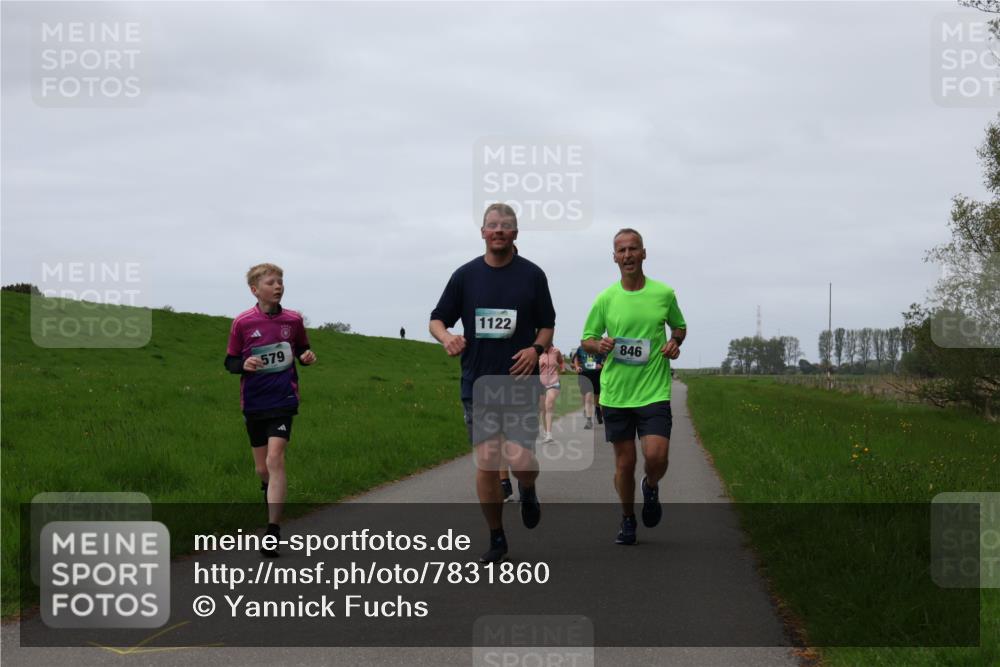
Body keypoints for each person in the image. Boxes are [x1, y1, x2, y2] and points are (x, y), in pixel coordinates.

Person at [430, 203, 556, 563]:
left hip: (519, 383)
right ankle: (497, 536)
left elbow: (547, 323)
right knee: (487, 460)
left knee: (519, 461)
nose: (498, 230)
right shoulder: (466, 276)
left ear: (516, 233)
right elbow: (437, 319)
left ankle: (528, 489)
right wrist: (447, 337)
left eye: (506, 225)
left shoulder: (532, 275)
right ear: (482, 232)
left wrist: (536, 349)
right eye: (492, 225)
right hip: (478, 383)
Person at [580, 229, 686, 545]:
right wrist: (599, 346)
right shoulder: (605, 298)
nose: (627, 255)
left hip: (654, 390)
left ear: (643, 253)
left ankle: (651, 485)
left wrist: (673, 342)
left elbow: (679, 326)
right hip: (616, 393)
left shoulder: (664, 294)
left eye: (633, 249)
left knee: (656, 456)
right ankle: (627, 519)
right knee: (624, 464)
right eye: (621, 250)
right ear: (614, 257)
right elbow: (586, 339)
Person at [225, 263, 316, 557]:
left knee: (276, 459)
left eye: (280, 282)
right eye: (271, 282)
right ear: (255, 289)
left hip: (283, 400)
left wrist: (306, 356)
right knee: (262, 468)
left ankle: (273, 531)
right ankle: (269, 495)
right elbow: (230, 362)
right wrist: (245, 364)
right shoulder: (242, 323)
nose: (278, 286)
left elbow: (302, 349)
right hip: (254, 402)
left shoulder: (293, 320)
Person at [571, 346, 605, 429]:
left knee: (597, 397)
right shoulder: (580, 348)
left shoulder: (599, 347)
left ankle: (597, 409)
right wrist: (577, 367)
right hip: (585, 374)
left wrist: (602, 365)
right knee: (588, 396)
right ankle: (589, 421)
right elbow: (575, 358)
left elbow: (607, 359)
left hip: (596, 374)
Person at [537, 346, 564, 443]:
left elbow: (561, 362)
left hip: (554, 382)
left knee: (549, 405)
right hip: (540, 383)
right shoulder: (537, 352)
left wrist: (562, 369)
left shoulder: (556, 351)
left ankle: (549, 434)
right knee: (542, 409)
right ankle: (544, 430)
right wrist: (539, 365)